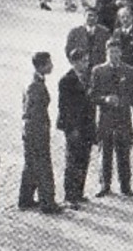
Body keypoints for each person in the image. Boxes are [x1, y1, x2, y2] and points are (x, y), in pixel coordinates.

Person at [89, 38, 133, 197]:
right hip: (105, 118)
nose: (114, 55)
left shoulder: (129, 71)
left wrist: (122, 101)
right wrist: (105, 99)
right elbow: (92, 95)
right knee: (105, 152)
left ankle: (125, 186)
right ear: (106, 52)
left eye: (117, 52)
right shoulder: (98, 71)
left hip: (123, 118)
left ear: (121, 52)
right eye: (111, 52)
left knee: (123, 152)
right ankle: (104, 185)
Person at [17, 52, 62, 214]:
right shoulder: (35, 85)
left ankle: (25, 199)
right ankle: (47, 202)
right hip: (36, 131)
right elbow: (34, 111)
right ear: (42, 65)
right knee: (43, 165)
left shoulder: (33, 81)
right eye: (49, 63)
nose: (51, 66)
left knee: (31, 165)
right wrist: (41, 131)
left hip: (30, 130)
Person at [56, 46, 96, 207]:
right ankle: (70, 195)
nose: (85, 64)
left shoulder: (87, 78)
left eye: (87, 61)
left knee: (84, 159)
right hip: (74, 127)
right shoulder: (66, 81)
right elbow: (64, 108)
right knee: (72, 161)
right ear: (74, 62)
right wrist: (71, 129)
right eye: (82, 61)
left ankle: (79, 192)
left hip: (87, 125)